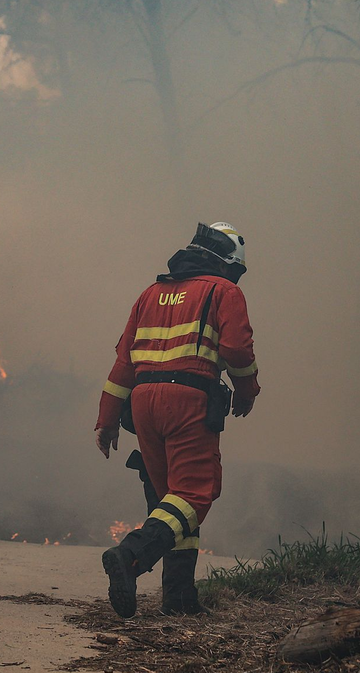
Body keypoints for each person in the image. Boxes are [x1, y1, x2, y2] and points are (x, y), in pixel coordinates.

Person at [94, 222, 261, 618]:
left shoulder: (150, 293)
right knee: (195, 493)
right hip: (188, 400)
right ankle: (130, 556)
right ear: (227, 263)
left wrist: (107, 419)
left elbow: (124, 362)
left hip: (142, 403)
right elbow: (237, 348)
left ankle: (180, 600)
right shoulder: (224, 291)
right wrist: (247, 390)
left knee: (172, 497)